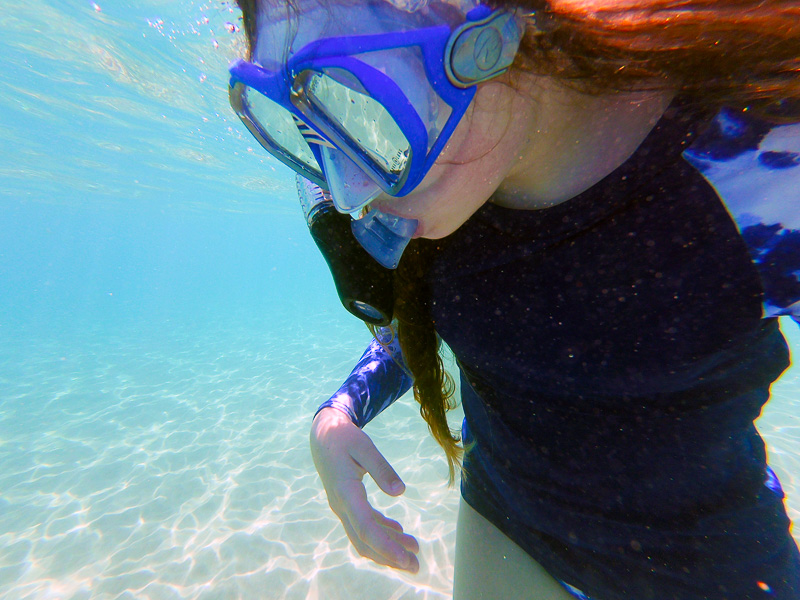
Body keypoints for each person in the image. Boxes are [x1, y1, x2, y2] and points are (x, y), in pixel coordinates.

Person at [226, 0, 800, 597]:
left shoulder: (762, 162)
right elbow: (423, 327)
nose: (348, 193)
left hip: (710, 569)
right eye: (313, 124)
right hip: (505, 527)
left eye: (367, 101)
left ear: (488, 37)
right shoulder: (438, 192)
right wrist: (339, 413)